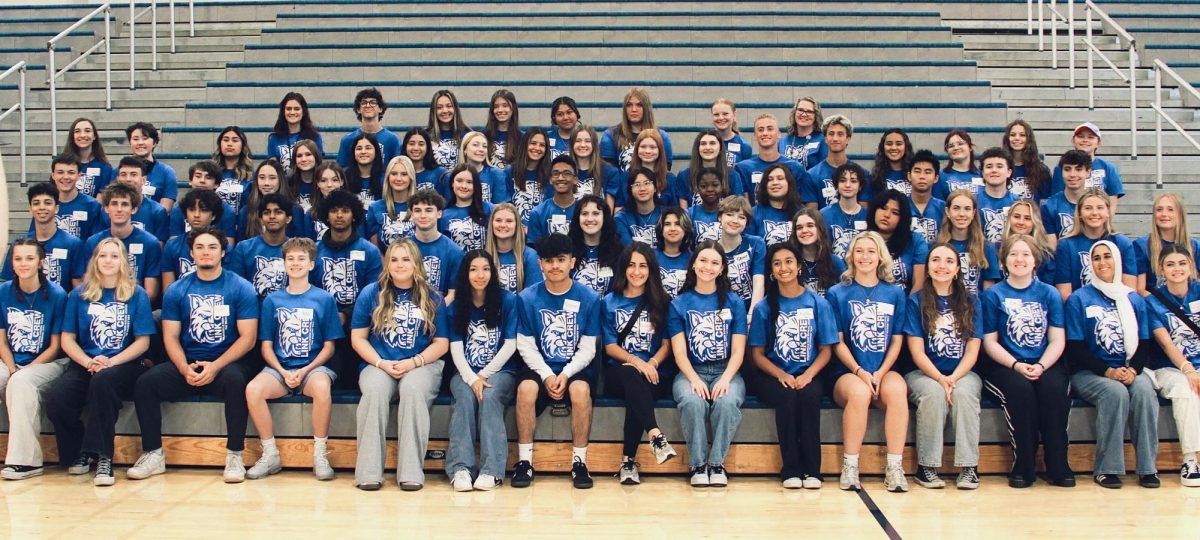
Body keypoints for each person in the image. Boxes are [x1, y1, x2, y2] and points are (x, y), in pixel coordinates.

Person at [127, 227, 258, 483]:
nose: (206, 252)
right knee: (146, 383)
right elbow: (170, 337)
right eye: (200, 247)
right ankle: (153, 453)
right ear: (191, 253)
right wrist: (183, 367)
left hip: (226, 361)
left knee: (235, 381)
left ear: (223, 252)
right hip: (188, 361)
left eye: (212, 247)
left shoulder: (241, 287)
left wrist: (216, 366)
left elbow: (248, 338)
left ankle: (234, 455)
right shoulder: (177, 289)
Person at [44, 238, 154, 486]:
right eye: (103, 256)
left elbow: (142, 343)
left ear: (123, 262)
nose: (108, 260)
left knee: (103, 383)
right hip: (87, 363)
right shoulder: (79, 294)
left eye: (114, 256)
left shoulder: (137, 294)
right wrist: (88, 362)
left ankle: (103, 456)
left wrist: (111, 362)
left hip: (124, 365)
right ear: (95, 260)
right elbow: (68, 339)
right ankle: (80, 451)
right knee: (57, 399)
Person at [350, 239, 450, 491]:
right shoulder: (371, 293)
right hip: (379, 362)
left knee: (413, 390)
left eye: (405, 259)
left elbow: (441, 343)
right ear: (387, 263)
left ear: (416, 262)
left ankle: (411, 473)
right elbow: (358, 338)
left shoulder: (433, 297)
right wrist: (381, 363)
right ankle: (368, 473)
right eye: (394, 259)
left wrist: (413, 362)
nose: (399, 264)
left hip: (421, 364)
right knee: (374, 391)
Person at [243, 238, 342, 481]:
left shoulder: (324, 299)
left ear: (311, 264)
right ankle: (270, 454)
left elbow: (329, 347)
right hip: (279, 368)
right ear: (283, 264)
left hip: (313, 367)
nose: (295, 263)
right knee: (253, 389)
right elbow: (266, 346)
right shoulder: (272, 300)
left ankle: (320, 454)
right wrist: (283, 371)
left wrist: (305, 369)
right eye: (290, 259)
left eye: (301, 259)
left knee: (321, 387)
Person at [980, 234, 1074, 488]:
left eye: (1025, 254)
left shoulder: (1049, 293)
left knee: (1054, 390)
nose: (1019, 259)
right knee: (1020, 392)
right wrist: (1016, 365)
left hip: (1044, 361)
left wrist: (1042, 365)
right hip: (1005, 364)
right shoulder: (993, 295)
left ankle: (1058, 465)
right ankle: (1023, 466)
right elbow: (990, 342)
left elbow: (1057, 339)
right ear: (1003, 260)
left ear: (1035, 261)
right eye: (1013, 254)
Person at [512, 233, 602, 489]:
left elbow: (588, 347)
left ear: (572, 262)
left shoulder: (589, 298)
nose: (555, 266)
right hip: (539, 367)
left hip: (574, 367)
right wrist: (547, 375)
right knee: (526, 389)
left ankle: (579, 463)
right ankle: (525, 462)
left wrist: (565, 374)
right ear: (540, 264)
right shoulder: (527, 298)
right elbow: (525, 345)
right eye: (549, 261)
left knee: (580, 390)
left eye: (560, 260)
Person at [1065, 241, 1158, 488]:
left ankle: (1148, 467)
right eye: (1096, 258)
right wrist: (1107, 371)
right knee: (1115, 392)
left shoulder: (1134, 299)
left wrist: (1134, 370)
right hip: (1089, 373)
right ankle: (1107, 468)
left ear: (1117, 261)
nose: (1102, 262)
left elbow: (1146, 342)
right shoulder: (1079, 298)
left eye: (1108, 256)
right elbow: (1075, 347)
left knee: (1144, 390)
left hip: (1129, 368)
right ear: (1091, 264)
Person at [748, 243, 837, 489]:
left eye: (789, 261)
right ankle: (791, 469)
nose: (783, 267)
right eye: (777, 263)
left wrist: (808, 375)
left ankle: (812, 471)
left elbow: (826, 350)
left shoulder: (818, 303)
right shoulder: (763, 307)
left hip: (810, 372)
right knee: (787, 397)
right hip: (772, 375)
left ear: (798, 267)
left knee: (809, 397)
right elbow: (757, 355)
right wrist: (781, 375)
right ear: (771, 271)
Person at [826, 232, 910, 492]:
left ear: (880, 257)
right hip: (848, 371)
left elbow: (897, 340)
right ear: (851, 256)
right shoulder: (837, 293)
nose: (865, 256)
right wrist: (860, 371)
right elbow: (837, 341)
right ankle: (850, 466)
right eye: (859, 251)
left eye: (871, 251)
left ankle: (895, 467)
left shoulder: (894, 293)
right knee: (860, 392)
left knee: (897, 389)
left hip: (883, 369)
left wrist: (881, 372)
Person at [903, 243, 984, 490]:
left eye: (949, 261)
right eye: (936, 260)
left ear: (957, 269)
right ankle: (926, 467)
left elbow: (972, 350)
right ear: (927, 268)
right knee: (933, 394)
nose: (942, 266)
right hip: (923, 373)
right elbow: (917, 352)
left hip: (962, 371)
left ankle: (969, 467)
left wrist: (953, 378)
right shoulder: (916, 302)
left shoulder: (971, 302)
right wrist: (940, 379)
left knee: (965, 392)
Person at [668, 240, 747, 487]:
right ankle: (698, 464)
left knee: (726, 401)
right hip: (691, 370)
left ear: (722, 268)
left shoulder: (734, 302)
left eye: (715, 262)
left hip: (727, 369)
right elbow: (679, 352)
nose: (708, 267)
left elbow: (738, 351)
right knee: (692, 401)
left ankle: (716, 464)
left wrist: (725, 380)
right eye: (703, 260)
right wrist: (693, 379)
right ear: (693, 265)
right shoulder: (678, 304)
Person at [604, 243, 678, 485]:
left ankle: (628, 463)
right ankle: (655, 435)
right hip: (618, 373)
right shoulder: (609, 302)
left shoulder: (662, 301)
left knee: (639, 389)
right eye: (631, 265)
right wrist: (637, 362)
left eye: (643, 266)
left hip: (655, 373)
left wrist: (652, 363)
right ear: (623, 269)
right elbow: (610, 346)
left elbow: (667, 344)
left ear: (651, 270)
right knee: (631, 375)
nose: (637, 271)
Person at [446, 250, 519, 491]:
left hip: (501, 372)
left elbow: (511, 344)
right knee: (466, 397)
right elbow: (455, 347)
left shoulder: (507, 300)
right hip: (464, 372)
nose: (480, 275)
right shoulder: (456, 306)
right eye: (474, 269)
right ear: (465, 273)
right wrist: (471, 378)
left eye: (486, 269)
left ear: (493, 272)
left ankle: (492, 471)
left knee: (489, 396)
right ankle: (461, 468)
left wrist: (483, 376)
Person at [0, 239, 68, 480]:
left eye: (29, 258)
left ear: (41, 262)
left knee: (21, 382)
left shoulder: (57, 294)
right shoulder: (3, 291)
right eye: (18, 259)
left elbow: (56, 345)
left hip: (49, 363)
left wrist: (24, 370)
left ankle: (27, 462)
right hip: (11, 360)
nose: (23, 263)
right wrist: (10, 368)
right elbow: (2, 341)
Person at [1143, 244, 1200, 487]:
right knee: (1185, 389)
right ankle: (1190, 461)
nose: (1177, 269)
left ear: (1191, 266)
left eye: (1182, 263)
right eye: (1170, 264)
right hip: (1168, 367)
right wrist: (1188, 370)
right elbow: (1166, 344)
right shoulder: (1153, 300)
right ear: (1161, 269)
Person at [312, 189, 384, 384]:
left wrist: (346, 314)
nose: (340, 215)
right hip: (322, 324)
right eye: (334, 210)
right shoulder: (314, 250)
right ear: (326, 215)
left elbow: (374, 292)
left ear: (354, 215)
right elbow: (308, 290)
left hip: (359, 324)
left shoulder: (369, 251)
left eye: (345, 210)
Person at [1053, 187, 1137, 300]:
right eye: (1088, 208)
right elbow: (1064, 294)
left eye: (1100, 208)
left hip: (1117, 308)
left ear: (1108, 212)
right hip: (1080, 309)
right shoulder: (1066, 245)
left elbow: (1130, 290)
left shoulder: (1122, 243)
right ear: (1080, 213)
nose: (1094, 213)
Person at [85, 183, 163, 303]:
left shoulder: (150, 243)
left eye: (125, 204)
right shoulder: (93, 242)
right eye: (114, 204)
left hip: (135, 306)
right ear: (106, 208)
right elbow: (88, 284)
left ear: (134, 209)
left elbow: (150, 293)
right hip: (100, 304)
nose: (119, 209)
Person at [3, 182, 86, 290]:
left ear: (56, 208)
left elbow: (77, 289)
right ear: (30, 209)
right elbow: (10, 285)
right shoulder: (19, 244)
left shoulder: (73, 244)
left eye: (47, 203)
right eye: (36, 203)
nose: (42, 207)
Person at [228, 194, 294, 300]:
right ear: (261, 219)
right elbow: (235, 287)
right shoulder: (244, 248)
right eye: (267, 213)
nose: (272, 216)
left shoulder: (296, 250)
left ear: (288, 218)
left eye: (278, 212)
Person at [734, 114, 811, 203]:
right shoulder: (743, 168)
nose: (765, 133)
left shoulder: (795, 167)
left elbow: (800, 203)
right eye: (760, 130)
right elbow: (743, 205)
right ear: (755, 136)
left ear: (779, 134)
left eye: (770, 129)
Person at [936, 190, 1001, 296]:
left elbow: (988, 292)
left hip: (976, 308)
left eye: (967, 209)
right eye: (956, 208)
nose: (961, 214)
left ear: (973, 213)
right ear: (948, 212)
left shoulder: (986, 248)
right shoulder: (936, 247)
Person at [1050, 122, 1124, 213]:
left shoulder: (1108, 168)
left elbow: (1112, 202)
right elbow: (1057, 198)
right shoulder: (1061, 168)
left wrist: (1105, 224)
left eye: (1090, 137)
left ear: (1098, 143)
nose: (1085, 140)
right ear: (1073, 141)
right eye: (1080, 136)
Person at [1135, 193, 1200, 295]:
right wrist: (1162, 307)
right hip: (1156, 306)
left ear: (1180, 214)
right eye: (1159, 209)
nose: (1164, 214)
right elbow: (1140, 289)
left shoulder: (1195, 246)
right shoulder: (1142, 246)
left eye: (1170, 209)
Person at [161, 189, 224, 292]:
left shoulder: (223, 246)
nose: (196, 215)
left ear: (213, 215)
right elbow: (168, 290)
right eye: (191, 209)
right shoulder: (172, 246)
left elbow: (227, 286)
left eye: (203, 210)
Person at [867, 189, 927, 294]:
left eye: (895, 212)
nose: (887, 215)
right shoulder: (862, 241)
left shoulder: (915, 241)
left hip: (906, 304)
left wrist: (908, 308)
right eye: (883, 208)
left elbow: (919, 284)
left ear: (902, 219)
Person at [409, 189, 463, 303]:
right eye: (417, 210)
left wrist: (433, 313)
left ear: (439, 213)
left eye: (429, 210)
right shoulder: (402, 249)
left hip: (440, 314)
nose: (423, 215)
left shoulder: (454, 251)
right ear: (412, 214)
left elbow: (453, 294)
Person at [601, 87, 673, 170]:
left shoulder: (662, 137)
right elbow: (609, 174)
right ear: (625, 109)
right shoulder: (610, 135)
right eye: (629, 105)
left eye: (639, 105)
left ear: (646, 108)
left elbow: (664, 173)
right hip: (621, 182)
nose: (634, 110)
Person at [167, 161, 238, 241]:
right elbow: (174, 243)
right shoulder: (178, 209)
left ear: (216, 184)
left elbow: (228, 245)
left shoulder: (227, 211)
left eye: (208, 178)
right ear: (190, 181)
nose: (202, 181)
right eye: (198, 176)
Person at [569, 195, 623, 295]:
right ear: (578, 218)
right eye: (584, 214)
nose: (590, 219)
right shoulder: (567, 250)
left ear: (604, 217)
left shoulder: (619, 251)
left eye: (596, 213)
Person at [239, 159, 304, 242]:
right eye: (262, 178)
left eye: (272, 178)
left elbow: (300, 244)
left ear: (280, 180)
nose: (266, 183)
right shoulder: (246, 211)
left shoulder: (295, 210)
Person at [45, 153, 106, 241]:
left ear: (79, 176)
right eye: (60, 172)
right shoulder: (44, 205)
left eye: (71, 172)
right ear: (53, 175)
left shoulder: (92, 206)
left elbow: (98, 242)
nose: (65, 177)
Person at [336, 88, 401, 170]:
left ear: (380, 108)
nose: (368, 105)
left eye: (373, 102)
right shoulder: (347, 140)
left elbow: (398, 168)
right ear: (358, 109)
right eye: (363, 103)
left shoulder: (392, 139)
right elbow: (342, 169)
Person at [484, 202, 542, 293]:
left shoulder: (530, 256)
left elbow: (533, 295)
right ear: (491, 224)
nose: (503, 225)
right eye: (498, 220)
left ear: (517, 225)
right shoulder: (482, 257)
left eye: (509, 221)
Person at [676, 130, 742, 210]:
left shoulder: (732, 175)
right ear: (698, 148)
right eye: (703, 143)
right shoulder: (684, 175)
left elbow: (737, 208)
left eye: (712, 143)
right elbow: (684, 213)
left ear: (720, 148)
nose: (707, 147)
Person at [366, 156, 417, 249]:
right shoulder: (375, 208)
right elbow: (375, 249)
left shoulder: (420, 207)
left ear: (411, 178)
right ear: (387, 177)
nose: (398, 178)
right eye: (394, 174)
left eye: (404, 174)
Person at [114, 156, 170, 244]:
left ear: (143, 180)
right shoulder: (108, 210)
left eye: (133, 174)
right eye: (123, 175)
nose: (128, 179)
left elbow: (158, 250)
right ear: (117, 179)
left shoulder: (157, 211)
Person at [819, 162, 868, 260]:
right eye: (842, 180)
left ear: (860, 186)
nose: (848, 185)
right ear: (836, 185)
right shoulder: (823, 214)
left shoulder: (868, 215)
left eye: (853, 181)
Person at [439, 164, 494, 251]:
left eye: (469, 182)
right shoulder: (443, 216)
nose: (464, 186)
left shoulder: (490, 209)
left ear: (475, 185)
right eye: (459, 181)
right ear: (452, 183)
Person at [267, 92, 323, 177]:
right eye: (288, 109)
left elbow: (319, 166)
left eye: (297, 109)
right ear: (283, 112)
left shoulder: (315, 137)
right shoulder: (274, 139)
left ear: (303, 112)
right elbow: (273, 169)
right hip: (283, 187)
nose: (292, 112)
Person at [525, 156, 579, 246]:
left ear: (575, 180)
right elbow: (534, 248)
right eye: (556, 173)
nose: (561, 178)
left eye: (567, 173)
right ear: (550, 180)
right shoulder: (538, 213)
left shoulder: (583, 211)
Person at [126, 122, 178, 212]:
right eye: (135, 139)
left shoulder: (167, 172)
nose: (140, 143)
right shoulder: (118, 171)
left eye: (145, 138)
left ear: (154, 142)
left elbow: (164, 210)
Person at [791, 207, 844, 297]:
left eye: (810, 225)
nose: (804, 230)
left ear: (820, 229)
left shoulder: (835, 262)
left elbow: (843, 295)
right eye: (799, 228)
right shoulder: (791, 263)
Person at [804, 115, 854, 209]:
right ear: (825, 138)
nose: (835, 139)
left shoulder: (861, 174)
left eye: (840, 134)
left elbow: (863, 213)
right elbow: (812, 215)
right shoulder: (812, 175)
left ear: (848, 139)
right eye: (831, 134)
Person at [1040, 150, 1092, 240]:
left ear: (1088, 172)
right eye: (1067, 169)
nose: (1072, 175)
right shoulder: (1049, 206)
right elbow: (1052, 248)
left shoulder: (1096, 205)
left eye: (1078, 169)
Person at [1003, 199, 1057, 284]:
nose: (1021, 222)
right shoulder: (996, 250)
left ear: (1035, 222)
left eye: (1027, 218)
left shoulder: (1047, 255)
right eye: (1016, 217)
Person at [503, 128, 551, 223]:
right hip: (515, 229)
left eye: (542, 145)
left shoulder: (549, 174)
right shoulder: (509, 171)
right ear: (525, 144)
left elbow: (549, 208)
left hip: (539, 231)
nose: (537, 148)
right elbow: (506, 206)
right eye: (533, 143)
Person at [751, 163, 803, 246]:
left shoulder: (802, 213)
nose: (775, 183)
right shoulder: (754, 213)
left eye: (780, 178)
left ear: (789, 183)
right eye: (770, 179)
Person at [569, 126, 620, 209]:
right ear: (572, 145)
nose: (583, 145)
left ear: (594, 144)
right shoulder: (565, 171)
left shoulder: (610, 171)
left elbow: (608, 210)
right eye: (578, 141)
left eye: (587, 141)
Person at [61, 117, 113, 197]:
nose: (82, 135)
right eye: (77, 131)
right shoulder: (61, 165)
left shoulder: (105, 168)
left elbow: (99, 204)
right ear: (72, 136)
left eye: (87, 131)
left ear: (94, 136)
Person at [977, 148, 1018, 245]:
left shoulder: (1018, 203)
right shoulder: (972, 202)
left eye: (999, 166)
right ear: (982, 172)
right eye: (989, 166)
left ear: (1009, 172)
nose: (994, 170)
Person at [614, 167, 663, 248]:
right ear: (630, 191)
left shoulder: (666, 215)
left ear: (655, 188)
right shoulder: (621, 218)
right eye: (637, 184)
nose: (642, 189)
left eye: (647, 183)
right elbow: (629, 249)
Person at [1001, 119, 1050, 202]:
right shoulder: (1001, 169)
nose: (1017, 138)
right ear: (1007, 139)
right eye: (1013, 135)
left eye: (1022, 135)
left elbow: (1044, 202)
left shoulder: (1041, 170)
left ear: (1029, 139)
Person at [453, 131, 507, 204]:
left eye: (484, 146)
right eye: (475, 145)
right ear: (465, 149)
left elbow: (500, 207)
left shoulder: (496, 174)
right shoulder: (453, 175)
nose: (481, 149)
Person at [211, 126, 254, 215]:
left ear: (243, 145)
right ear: (220, 144)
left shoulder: (251, 175)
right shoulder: (211, 173)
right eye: (226, 140)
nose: (229, 144)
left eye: (235, 140)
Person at [908, 150, 945, 246]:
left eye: (927, 172)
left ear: (936, 178)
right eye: (917, 171)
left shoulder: (944, 209)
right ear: (909, 176)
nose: (922, 176)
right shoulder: (899, 207)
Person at [427, 89, 472, 169]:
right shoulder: (426, 136)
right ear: (434, 111)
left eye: (449, 106)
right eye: (439, 107)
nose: (445, 111)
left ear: (455, 108)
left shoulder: (468, 135)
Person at [779, 97, 827, 169]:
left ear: (816, 116)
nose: (804, 114)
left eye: (809, 111)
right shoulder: (784, 140)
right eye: (800, 110)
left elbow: (824, 170)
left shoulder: (822, 141)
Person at [656, 207, 693, 298]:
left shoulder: (694, 259)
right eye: (667, 224)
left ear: (685, 228)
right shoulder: (649, 256)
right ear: (661, 228)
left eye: (677, 224)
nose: (672, 229)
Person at [933, 130, 981, 200]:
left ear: (970, 147)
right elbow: (938, 206)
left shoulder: (982, 175)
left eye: (960, 143)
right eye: (951, 146)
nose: (956, 148)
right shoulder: (940, 177)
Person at [869, 129, 915, 199]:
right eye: (889, 144)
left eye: (899, 144)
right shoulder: (875, 178)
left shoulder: (916, 174)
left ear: (906, 147)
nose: (893, 148)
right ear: (883, 147)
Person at [343, 132, 384, 209]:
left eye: (368, 148)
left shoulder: (386, 178)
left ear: (376, 151)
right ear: (353, 152)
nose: (363, 152)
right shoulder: (344, 176)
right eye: (359, 148)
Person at [483, 89, 522, 168]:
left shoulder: (522, 137)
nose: (500, 110)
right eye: (496, 106)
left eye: (505, 105)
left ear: (513, 108)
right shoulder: (483, 136)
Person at [686, 168, 726, 243]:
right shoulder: (689, 214)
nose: (710, 189)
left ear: (722, 186)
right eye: (704, 186)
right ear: (697, 188)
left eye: (715, 185)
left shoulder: (729, 212)